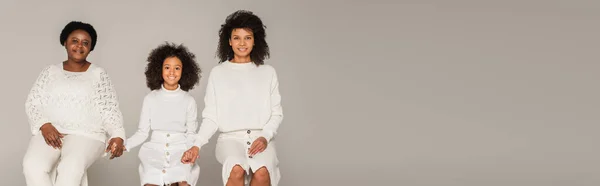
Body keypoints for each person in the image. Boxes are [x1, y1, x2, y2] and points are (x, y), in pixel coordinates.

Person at [181, 10, 283, 186]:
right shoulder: (218, 73)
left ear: (255, 40)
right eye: (237, 38)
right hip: (230, 139)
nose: (242, 43)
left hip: (261, 138)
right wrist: (197, 144)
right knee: (236, 168)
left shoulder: (268, 73)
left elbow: (276, 114)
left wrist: (265, 137)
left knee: (262, 171)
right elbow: (211, 117)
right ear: (229, 41)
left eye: (248, 37)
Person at [22, 21, 126, 186]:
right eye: (74, 40)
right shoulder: (50, 72)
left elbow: (110, 109)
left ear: (91, 48)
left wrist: (117, 136)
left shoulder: (98, 74)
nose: (80, 46)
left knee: (70, 168)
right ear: (65, 42)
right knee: (32, 165)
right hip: (52, 131)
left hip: (87, 134)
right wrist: (44, 124)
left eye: (86, 43)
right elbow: (33, 102)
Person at [124, 42, 201, 186]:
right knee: (151, 179)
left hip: (181, 148)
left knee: (182, 180)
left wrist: (190, 150)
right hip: (155, 150)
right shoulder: (150, 99)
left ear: (184, 71)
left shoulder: (189, 100)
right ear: (159, 70)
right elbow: (142, 132)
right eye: (167, 67)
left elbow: (191, 133)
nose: (172, 72)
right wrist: (125, 145)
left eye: (177, 68)